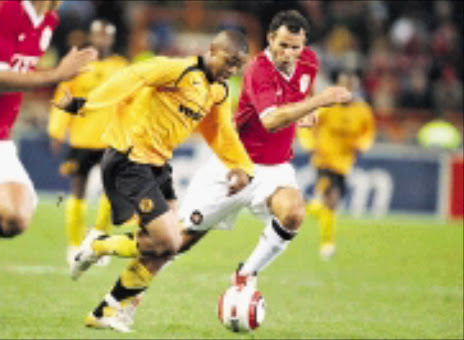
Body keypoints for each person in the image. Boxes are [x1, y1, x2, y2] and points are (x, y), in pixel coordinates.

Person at [64, 11, 352, 333]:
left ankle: (245, 275)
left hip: (273, 169)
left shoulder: (306, 64)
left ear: (305, 46)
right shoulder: (256, 69)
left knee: (294, 213)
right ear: (270, 39)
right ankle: (102, 251)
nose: (289, 54)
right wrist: (319, 102)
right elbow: (269, 120)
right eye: (282, 45)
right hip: (231, 165)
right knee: (174, 243)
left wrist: (305, 110)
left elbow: (293, 100)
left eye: (295, 47)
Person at [53, 30, 254, 332]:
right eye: (230, 60)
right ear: (212, 49)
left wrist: (240, 166)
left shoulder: (218, 92)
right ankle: (98, 246)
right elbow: (133, 76)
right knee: (167, 240)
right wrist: (85, 104)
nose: (232, 69)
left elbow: (222, 131)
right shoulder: (179, 70)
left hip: (158, 166)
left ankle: (105, 310)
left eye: (239, 65)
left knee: (167, 250)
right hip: (129, 159)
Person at [0, 0, 97, 242]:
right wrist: (56, 75)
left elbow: (19, 75)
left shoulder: (49, 19)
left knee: (15, 219)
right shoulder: (6, 8)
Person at [48, 19, 129, 266]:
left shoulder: (122, 67)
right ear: (91, 37)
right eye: (97, 35)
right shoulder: (79, 66)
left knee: (109, 192)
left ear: (112, 39)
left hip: (110, 141)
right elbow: (63, 97)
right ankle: (74, 245)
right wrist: (56, 130)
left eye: (106, 36)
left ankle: (98, 244)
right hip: (81, 139)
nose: (102, 39)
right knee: (78, 189)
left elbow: (131, 102)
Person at [299, 69, 375, 259]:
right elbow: (307, 125)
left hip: (344, 163)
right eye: (344, 85)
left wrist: (363, 145)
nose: (347, 89)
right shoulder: (326, 105)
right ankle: (327, 244)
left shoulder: (362, 110)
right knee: (331, 200)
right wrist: (309, 144)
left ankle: (299, 206)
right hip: (324, 160)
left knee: (328, 205)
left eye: (351, 86)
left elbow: (367, 133)